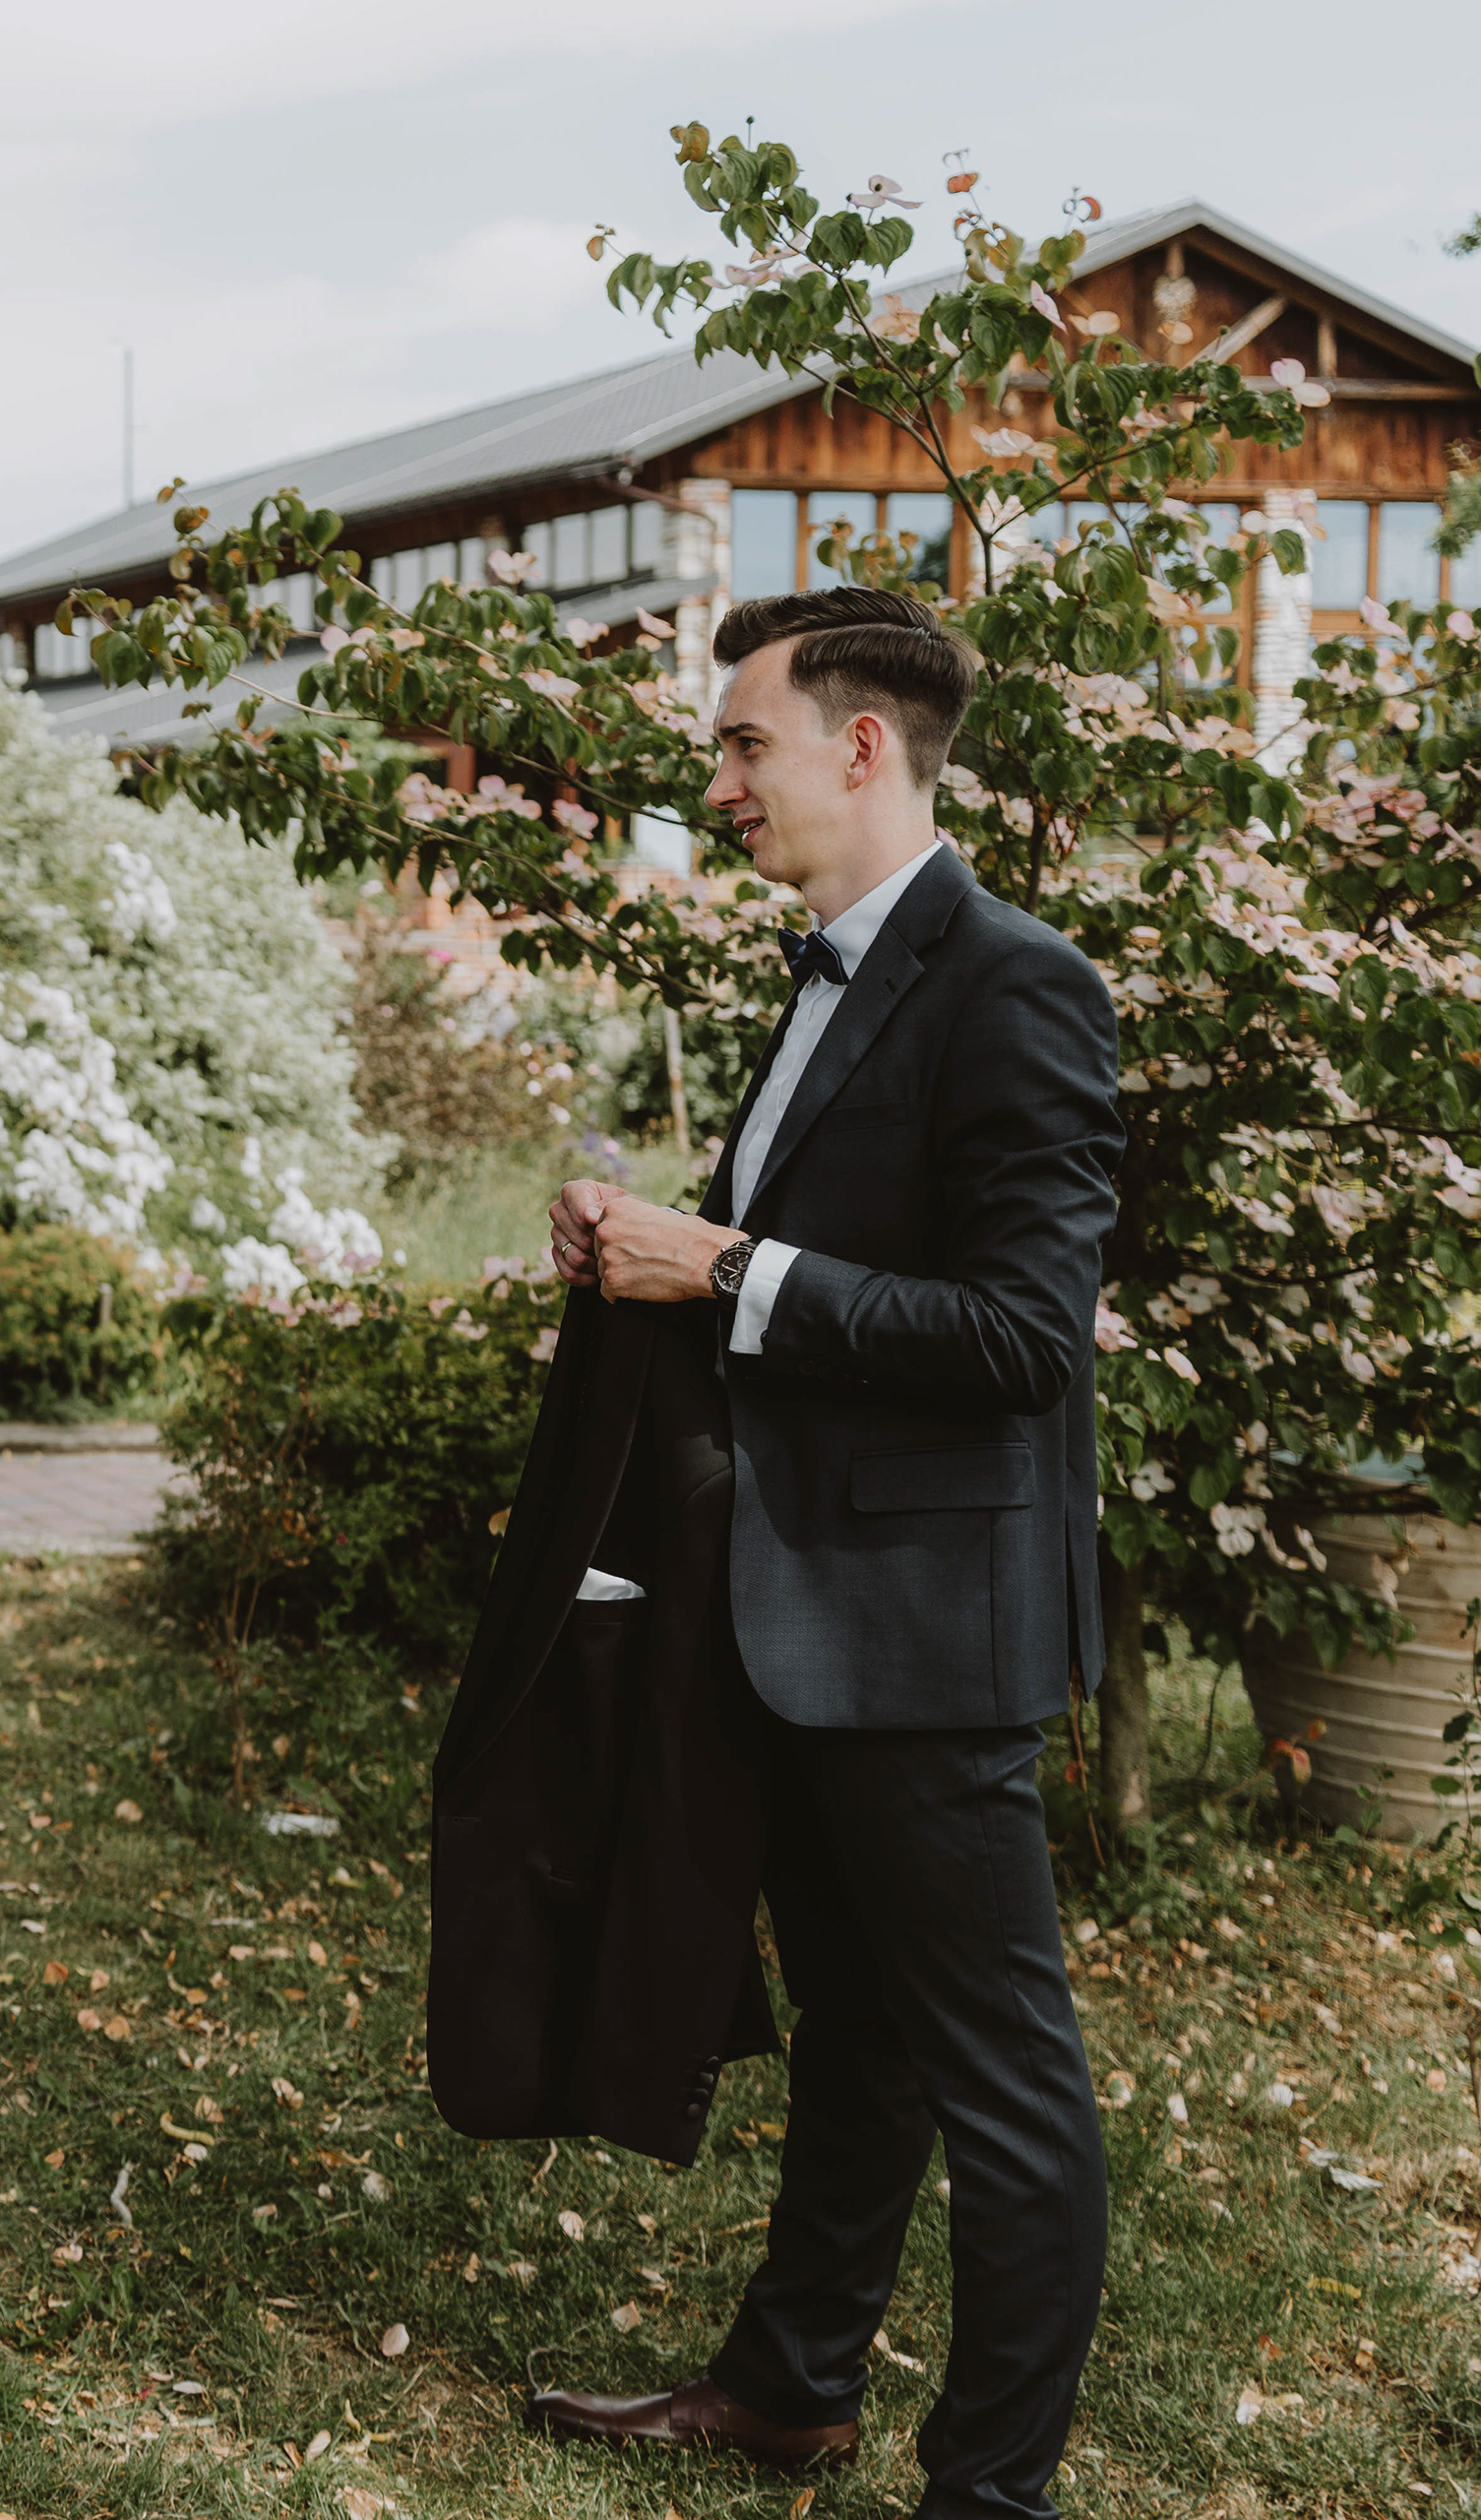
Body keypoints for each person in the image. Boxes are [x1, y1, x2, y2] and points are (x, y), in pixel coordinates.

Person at [522, 585, 1122, 2520]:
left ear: (864, 746)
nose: (718, 784)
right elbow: (798, 1275)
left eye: (741, 743)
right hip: (799, 1612)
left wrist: (728, 1266)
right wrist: (649, 1251)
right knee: (861, 2030)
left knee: (1003, 2077)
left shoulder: (1017, 983)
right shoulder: (825, 978)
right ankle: (791, 2386)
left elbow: (1022, 1339)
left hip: (930, 1627)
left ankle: (993, 2491)